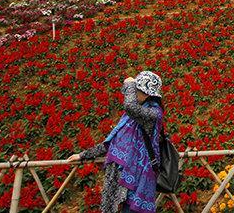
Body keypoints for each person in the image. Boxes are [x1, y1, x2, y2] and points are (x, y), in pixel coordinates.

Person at [68, 71, 165, 213]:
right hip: (122, 178)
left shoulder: (153, 114)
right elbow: (112, 142)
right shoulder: (130, 117)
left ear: (148, 94)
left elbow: (130, 106)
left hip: (138, 180)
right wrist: (84, 155)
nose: (135, 92)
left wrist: (130, 85)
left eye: (138, 90)